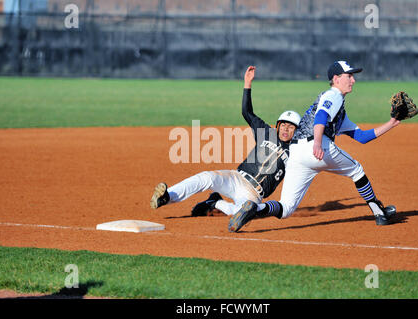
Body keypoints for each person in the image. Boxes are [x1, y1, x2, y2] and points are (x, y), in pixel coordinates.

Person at [229, 60, 400, 232]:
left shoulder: (339, 110)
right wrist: (317, 143)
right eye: (349, 76)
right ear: (336, 79)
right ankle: (379, 213)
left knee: (286, 208)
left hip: (296, 154)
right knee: (357, 170)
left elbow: (362, 136)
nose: (353, 80)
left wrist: (392, 123)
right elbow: (321, 116)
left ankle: (254, 208)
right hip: (317, 146)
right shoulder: (333, 95)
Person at [150, 66, 301, 216]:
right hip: (236, 178)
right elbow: (247, 112)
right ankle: (167, 196)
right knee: (206, 177)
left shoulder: (297, 150)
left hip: (253, 195)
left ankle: (215, 202)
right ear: (278, 125)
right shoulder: (266, 132)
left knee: (242, 212)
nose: (286, 129)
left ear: (296, 131)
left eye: (291, 127)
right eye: (283, 125)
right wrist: (247, 83)